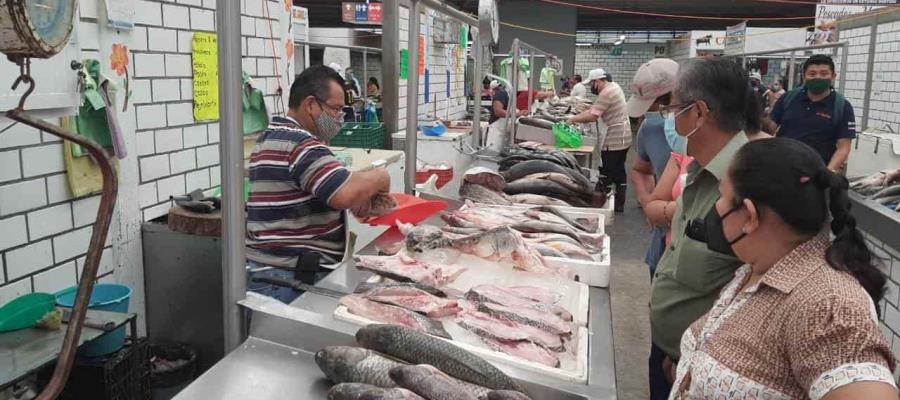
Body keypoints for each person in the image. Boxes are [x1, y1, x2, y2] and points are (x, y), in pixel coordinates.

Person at [669, 138, 895, 399]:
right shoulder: (757, 271)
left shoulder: (827, 304)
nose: (716, 207)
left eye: (722, 196)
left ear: (749, 215)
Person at [645, 58, 751, 400]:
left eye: (674, 109)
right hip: (671, 353)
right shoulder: (699, 174)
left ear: (700, 113)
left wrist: (697, 363)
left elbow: (760, 297)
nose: (670, 119)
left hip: (701, 374)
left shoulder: (748, 186)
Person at [245, 65, 391, 303]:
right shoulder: (301, 144)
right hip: (288, 280)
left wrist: (354, 203)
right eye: (335, 109)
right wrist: (381, 176)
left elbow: (319, 191)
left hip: (270, 274)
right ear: (311, 104)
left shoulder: (272, 135)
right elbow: (344, 194)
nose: (340, 117)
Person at [627, 58, 679, 278]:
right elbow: (640, 168)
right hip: (662, 241)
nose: (648, 112)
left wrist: (667, 210)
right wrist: (647, 200)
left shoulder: (709, 133)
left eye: (653, 105)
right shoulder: (649, 128)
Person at [768, 54, 856, 172]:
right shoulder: (788, 98)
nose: (818, 77)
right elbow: (769, 129)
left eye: (824, 74)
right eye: (812, 74)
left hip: (817, 173)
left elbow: (843, 148)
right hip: (781, 169)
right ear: (804, 77)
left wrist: (827, 174)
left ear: (833, 76)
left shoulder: (842, 106)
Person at [567, 68, 631, 212]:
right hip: (623, 136)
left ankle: (600, 204)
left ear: (598, 81)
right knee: (619, 170)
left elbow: (593, 116)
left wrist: (572, 119)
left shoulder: (607, 93)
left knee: (607, 170)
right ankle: (619, 204)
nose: (591, 87)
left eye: (591, 84)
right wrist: (578, 115)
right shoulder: (614, 87)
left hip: (615, 138)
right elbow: (593, 110)